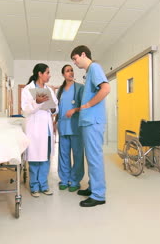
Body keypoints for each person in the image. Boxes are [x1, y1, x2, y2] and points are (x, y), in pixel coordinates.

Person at [70, 45, 110, 207]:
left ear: (83, 54)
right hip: (88, 122)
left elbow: (106, 89)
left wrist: (88, 105)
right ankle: (93, 187)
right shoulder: (89, 73)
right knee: (91, 157)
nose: (74, 63)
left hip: (93, 121)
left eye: (75, 58)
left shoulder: (94, 67)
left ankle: (99, 195)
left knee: (94, 158)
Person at [21, 63, 58, 198]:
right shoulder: (27, 89)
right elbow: (25, 110)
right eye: (47, 73)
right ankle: (34, 186)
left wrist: (54, 108)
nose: (49, 75)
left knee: (45, 158)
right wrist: (36, 101)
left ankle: (44, 185)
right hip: (34, 129)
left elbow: (55, 107)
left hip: (46, 129)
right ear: (40, 74)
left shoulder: (49, 89)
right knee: (34, 158)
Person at [55, 64, 85, 192]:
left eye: (72, 70)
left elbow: (85, 106)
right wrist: (55, 123)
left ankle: (75, 180)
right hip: (63, 126)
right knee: (63, 155)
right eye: (67, 71)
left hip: (75, 126)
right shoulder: (60, 91)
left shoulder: (80, 88)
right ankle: (64, 179)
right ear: (63, 74)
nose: (71, 72)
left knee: (78, 155)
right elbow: (57, 109)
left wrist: (75, 109)